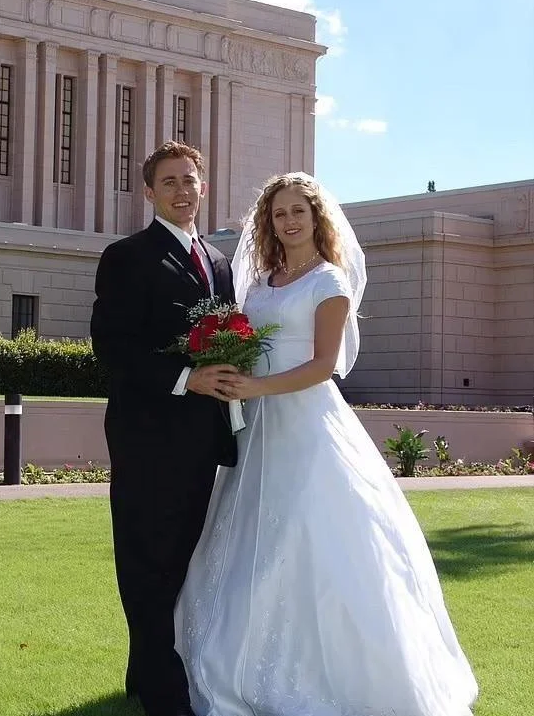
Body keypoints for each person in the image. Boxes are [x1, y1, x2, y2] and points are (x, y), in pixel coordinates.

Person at [175, 172, 478, 716]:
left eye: (299, 211)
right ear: (269, 223)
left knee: (307, 531)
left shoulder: (329, 282)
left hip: (307, 422)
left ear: (317, 218)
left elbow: (322, 366)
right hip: (256, 425)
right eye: (279, 214)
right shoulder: (261, 282)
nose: (289, 221)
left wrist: (259, 387)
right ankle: (234, 660)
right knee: (247, 536)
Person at [90, 141, 238, 716]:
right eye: (169, 182)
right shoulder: (126, 256)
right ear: (149, 192)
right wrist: (186, 378)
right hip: (147, 438)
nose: (182, 190)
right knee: (146, 561)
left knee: (181, 562)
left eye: (189, 180)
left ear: (204, 187)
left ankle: (145, 670)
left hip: (203, 438)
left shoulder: (218, 262)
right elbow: (112, 346)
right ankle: (163, 696)